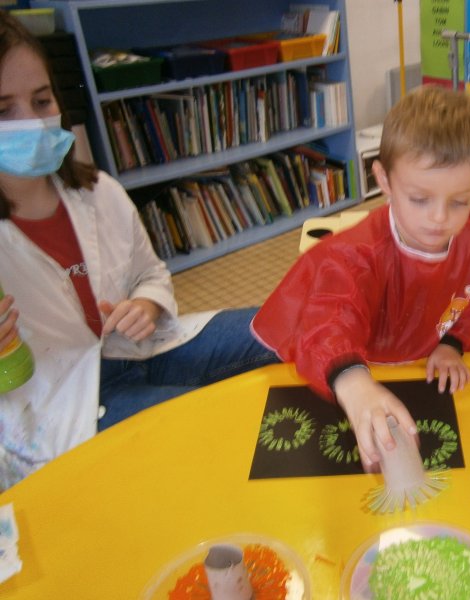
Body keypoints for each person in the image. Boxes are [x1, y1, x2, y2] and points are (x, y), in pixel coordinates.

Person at [0, 11, 277, 490]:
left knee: (282, 328)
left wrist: (146, 305)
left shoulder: (97, 190)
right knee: (221, 432)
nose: (33, 122)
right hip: (64, 405)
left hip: (144, 348)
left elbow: (151, 272)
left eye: (42, 100)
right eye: (4, 110)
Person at [252, 85, 470, 472]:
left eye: (460, 201)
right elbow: (329, 320)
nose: (439, 218)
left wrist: (453, 344)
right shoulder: (354, 255)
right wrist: (354, 382)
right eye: (419, 199)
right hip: (349, 368)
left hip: (415, 366)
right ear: (385, 180)